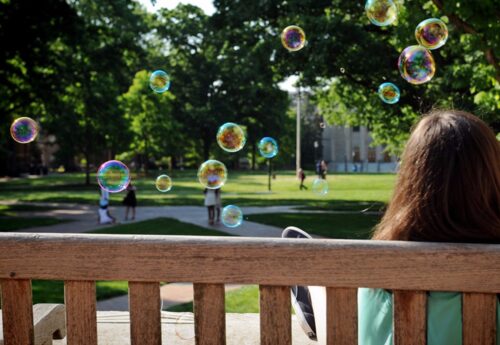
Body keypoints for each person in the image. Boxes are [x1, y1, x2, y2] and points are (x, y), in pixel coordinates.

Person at [286, 110, 500, 344]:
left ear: (411, 176)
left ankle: (312, 293)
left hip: (367, 301)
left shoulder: (376, 269)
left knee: (334, 295)